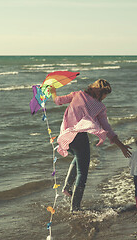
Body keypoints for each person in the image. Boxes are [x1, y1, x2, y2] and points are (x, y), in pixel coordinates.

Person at [51, 79, 132, 211]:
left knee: (78, 157)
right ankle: (75, 209)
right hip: (80, 137)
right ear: (101, 92)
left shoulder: (78, 94)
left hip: (66, 136)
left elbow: (58, 101)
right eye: (106, 94)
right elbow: (107, 129)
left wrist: (53, 92)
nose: (105, 98)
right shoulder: (100, 107)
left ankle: (67, 187)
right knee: (82, 173)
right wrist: (121, 145)